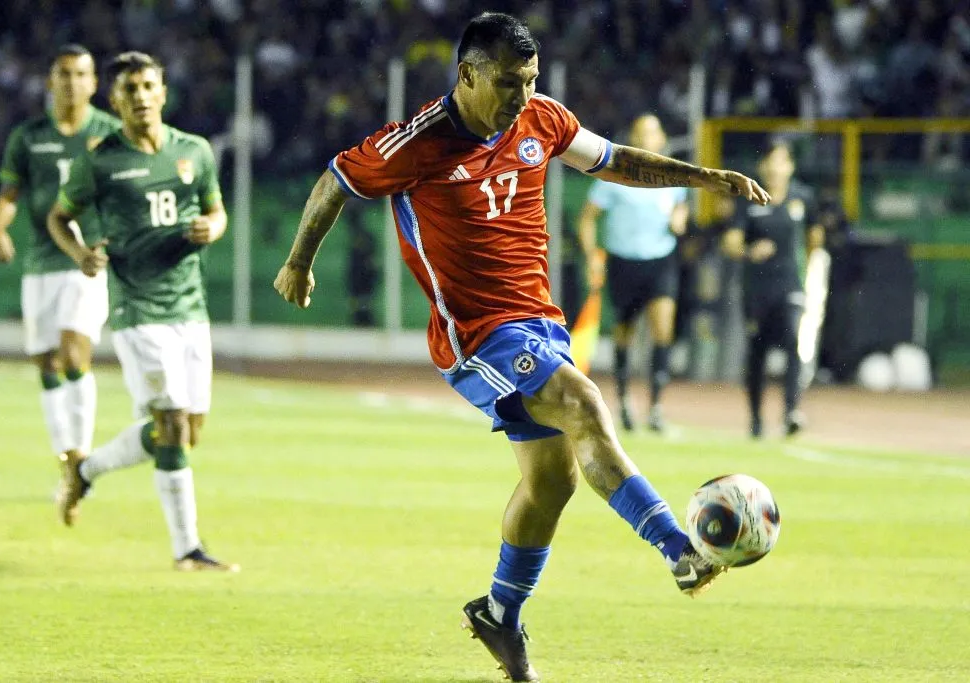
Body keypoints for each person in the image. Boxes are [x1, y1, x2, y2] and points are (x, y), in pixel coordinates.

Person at [274, 13, 769, 681]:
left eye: (532, 81)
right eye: (509, 82)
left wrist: (704, 177)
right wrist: (299, 262)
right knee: (586, 403)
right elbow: (336, 180)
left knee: (553, 480)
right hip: (476, 331)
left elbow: (615, 159)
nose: (523, 97)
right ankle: (678, 548)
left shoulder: (542, 120)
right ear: (468, 74)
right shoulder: (416, 143)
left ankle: (499, 613)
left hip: (539, 320)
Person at [46, 51, 237, 572]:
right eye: (129, 89)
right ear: (115, 100)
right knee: (171, 425)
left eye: (148, 85)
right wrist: (81, 254)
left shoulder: (193, 151)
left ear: (163, 91)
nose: (141, 96)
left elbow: (216, 210)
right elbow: (59, 218)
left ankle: (84, 472)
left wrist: (212, 229)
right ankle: (188, 550)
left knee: (183, 433)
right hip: (138, 309)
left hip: (190, 308)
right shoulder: (99, 160)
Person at [0, 44, 121, 476]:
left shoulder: (110, 133)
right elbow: (10, 195)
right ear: (50, 81)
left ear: (94, 83)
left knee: (73, 354)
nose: (72, 82)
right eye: (64, 74)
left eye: (81, 74)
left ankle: (80, 456)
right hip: (41, 262)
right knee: (46, 363)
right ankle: (66, 457)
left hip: (85, 261)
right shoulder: (28, 137)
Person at [577, 114, 689, 433]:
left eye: (653, 133)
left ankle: (655, 407)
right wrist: (591, 257)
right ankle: (624, 401)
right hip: (623, 262)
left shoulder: (671, 176)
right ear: (633, 139)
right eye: (641, 133)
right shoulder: (614, 176)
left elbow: (681, 208)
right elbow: (587, 218)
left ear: (662, 138)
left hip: (661, 261)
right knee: (624, 332)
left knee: (663, 330)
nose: (647, 139)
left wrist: (680, 219)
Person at [721, 141, 824, 438]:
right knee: (758, 352)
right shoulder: (748, 199)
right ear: (763, 167)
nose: (776, 169)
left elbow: (815, 236)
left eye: (782, 162)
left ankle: (792, 410)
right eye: (770, 162)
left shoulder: (803, 197)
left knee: (793, 342)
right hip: (756, 287)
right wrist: (749, 251)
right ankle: (755, 418)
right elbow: (730, 242)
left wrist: (805, 263)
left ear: (790, 166)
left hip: (791, 284)